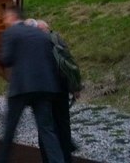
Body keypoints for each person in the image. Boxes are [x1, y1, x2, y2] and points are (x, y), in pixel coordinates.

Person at [0, 7, 65, 163]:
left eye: (5, 18)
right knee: (47, 130)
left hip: (21, 86)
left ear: (12, 16)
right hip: (45, 86)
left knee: (10, 129)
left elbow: (6, 59)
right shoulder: (41, 34)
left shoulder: (10, 33)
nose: (4, 21)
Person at [37, 19, 78, 163]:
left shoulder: (38, 43)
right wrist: (75, 87)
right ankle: (67, 158)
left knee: (46, 128)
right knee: (64, 125)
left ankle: (49, 159)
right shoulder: (59, 39)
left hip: (46, 91)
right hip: (62, 89)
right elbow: (71, 64)